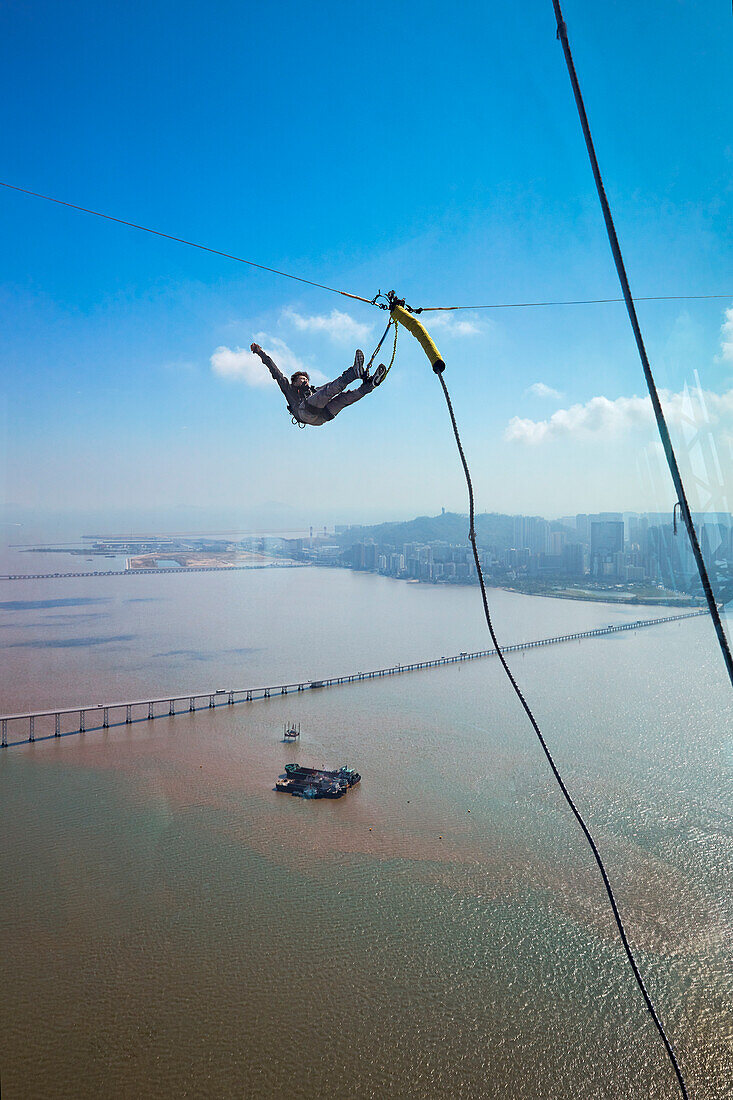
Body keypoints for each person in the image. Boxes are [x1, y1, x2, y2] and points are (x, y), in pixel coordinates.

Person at [250, 343, 385, 426]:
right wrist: (260, 352)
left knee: (344, 398)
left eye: (306, 379)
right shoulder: (288, 388)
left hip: (321, 417)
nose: (305, 381)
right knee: (327, 391)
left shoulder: (314, 390)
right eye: (302, 379)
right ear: (295, 382)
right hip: (304, 412)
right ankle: (354, 373)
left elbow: (332, 386)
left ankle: (369, 386)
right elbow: (275, 370)